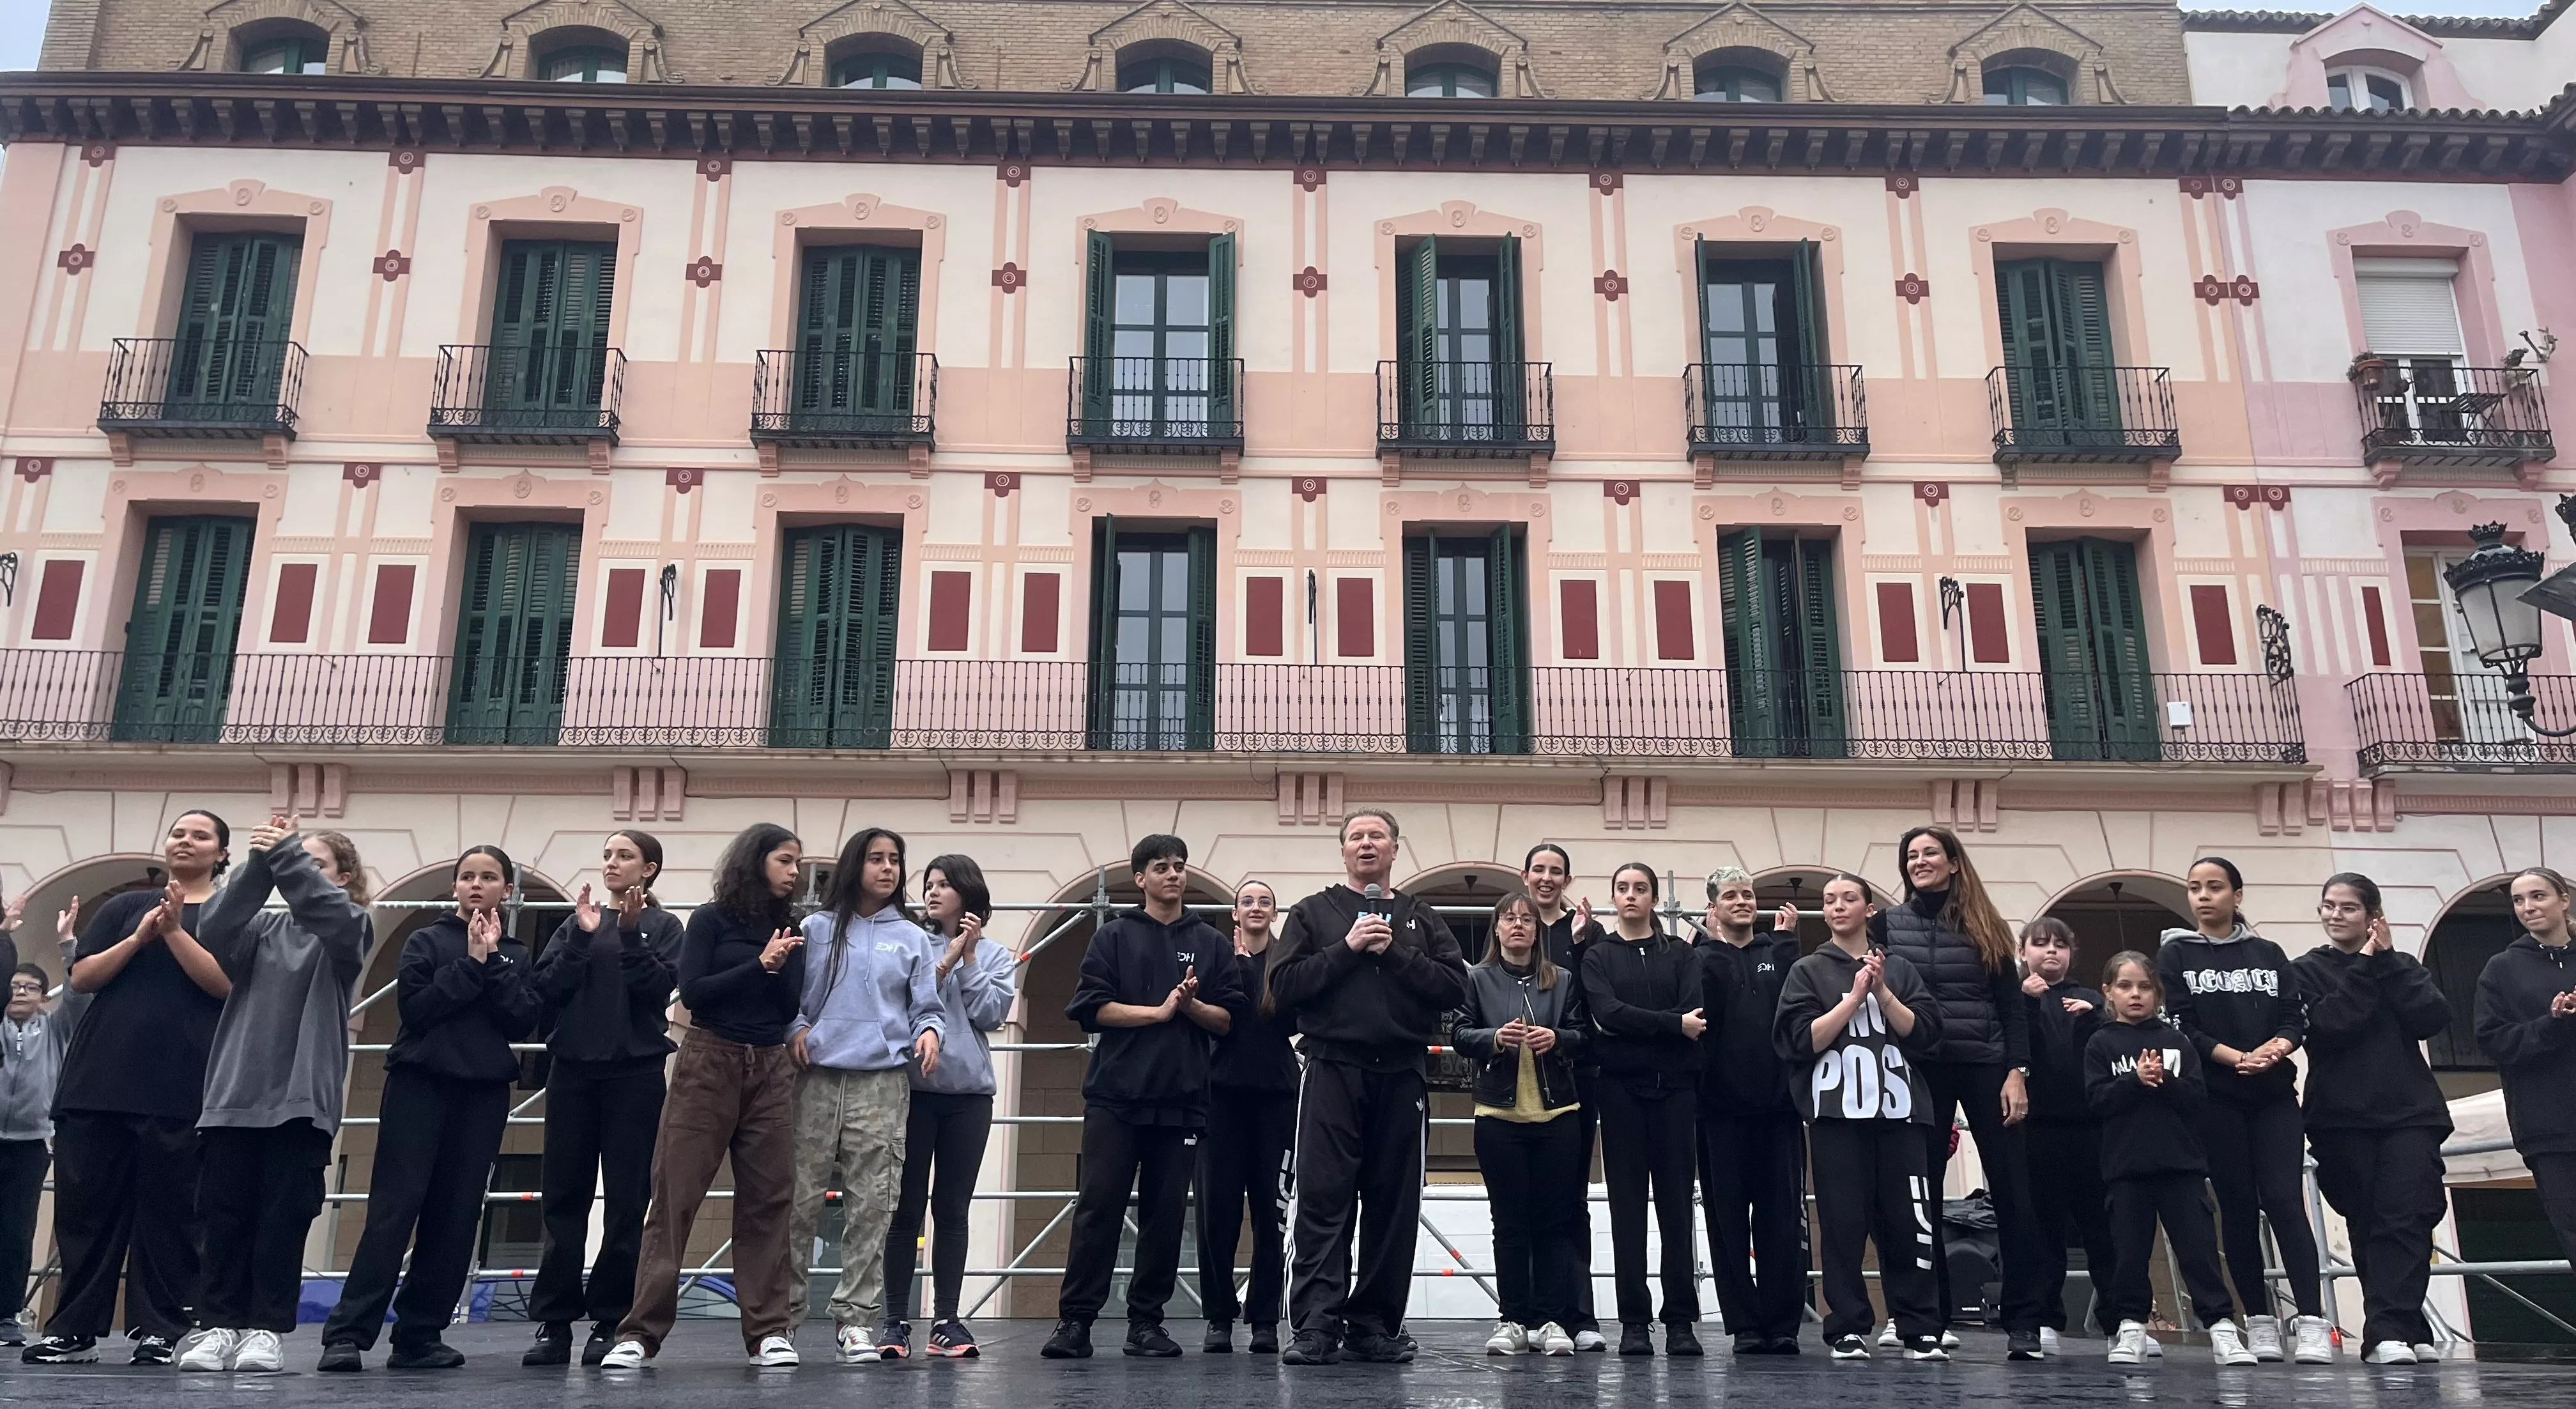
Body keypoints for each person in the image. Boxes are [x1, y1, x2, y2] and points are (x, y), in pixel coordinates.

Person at [318, 845, 539, 1371]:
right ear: (455, 887)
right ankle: (347, 1334)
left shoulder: (517, 953)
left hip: (482, 1092)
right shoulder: (426, 940)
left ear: (506, 890)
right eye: (467, 876)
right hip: (420, 1084)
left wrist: (494, 964)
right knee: (395, 1209)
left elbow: (521, 1019)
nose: (476, 885)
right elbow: (417, 1009)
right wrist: (472, 963)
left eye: (488, 877)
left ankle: (420, 1333)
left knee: (457, 1213)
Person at [28, 810, 233, 1366]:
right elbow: (83, 977)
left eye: (200, 835)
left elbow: (226, 985)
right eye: (178, 832)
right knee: (85, 1212)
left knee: (170, 1216)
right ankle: (73, 1329)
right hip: (100, 1080)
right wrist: (142, 936)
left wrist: (174, 934)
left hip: (182, 1085)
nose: (185, 841)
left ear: (220, 852)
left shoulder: (227, 912)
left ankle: (160, 1329)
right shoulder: (124, 906)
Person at [1268, 808, 1468, 1366]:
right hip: (1332, 1068)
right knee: (1323, 1201)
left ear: (1395, 848)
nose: (1365, 844)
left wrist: (1397, 953)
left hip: (1402, 1072)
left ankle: (1375, 1324)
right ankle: (1314, 1326)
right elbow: (1283, 986)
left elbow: (1455, 988)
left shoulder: (1420, 916)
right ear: (1343, 849)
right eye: (1355, 836)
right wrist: (1348, 947)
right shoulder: (1313, 912)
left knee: (1393, 1206)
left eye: (1376, 835)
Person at [604, 823, 807, 1370]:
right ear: (757, 860)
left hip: (769, 1064)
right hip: (708, 1056)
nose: (794, 871)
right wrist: (759, 965)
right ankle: (640, 1332)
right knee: (675, 1195)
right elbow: (693, 992)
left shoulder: (793, 926)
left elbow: (788, 1007)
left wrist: (780, 965)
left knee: (769, 1199)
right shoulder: (711, 920)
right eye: (785, 860)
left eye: (796, 863)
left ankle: (768, 1330)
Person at [1043, 835, 1246, 1360]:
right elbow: (1091, 1007)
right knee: (1098, 1208)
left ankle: (1146, 1323)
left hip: (1181, 1099)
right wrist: (1156, 1012)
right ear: (1141, 878)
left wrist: (1191, 1005)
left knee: (1164, 1216)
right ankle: (1075, 1322)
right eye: (1162, 867)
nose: (1174, 875)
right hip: (1115, 1096)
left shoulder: (1212, 941)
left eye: (1180, 866)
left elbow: (1227, 1020)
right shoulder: (1113, 936)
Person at [182, 820, 372, 1373]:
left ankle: (265, 1328)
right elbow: (213, 927)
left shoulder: (351, 925)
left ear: (344, 877)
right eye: (295, 860)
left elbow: (327, 912)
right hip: (233, 1095)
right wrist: (260, 862)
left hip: (299, 1099)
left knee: (281, 1220)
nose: (301, 869)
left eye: (316, 863)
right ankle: (218, 1324)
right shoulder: (262, 927)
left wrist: (285, 853)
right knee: (224, 1217)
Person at [1874, 824, 2044, 1357]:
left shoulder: (1986, 923)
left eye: (1930, 853)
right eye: (1911, 855)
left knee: (2013, 1190)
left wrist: (2018, 1070)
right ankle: (1929, 1314)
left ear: (1953, 862)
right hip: (1919, 1066)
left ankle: (2025, 1321)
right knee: (1917, 1194)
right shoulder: (1886, 923)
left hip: (1985, 1062)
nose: (1919, 861)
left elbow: (2012, 1006)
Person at [2156, 857, 2331, 1364]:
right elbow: (2180, 1023)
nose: (2203, 896)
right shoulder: (2176, 954)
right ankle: (2258, 1320)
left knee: (2284, 1200)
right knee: (2235, 1207)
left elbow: (2294, 1015)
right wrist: (2236, 1058)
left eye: (2214, 887)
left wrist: (2275, 1049)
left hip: (2274, 1095)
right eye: (2194, 888)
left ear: (2237, 894)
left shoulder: (2269, 952)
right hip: (2216, 1098)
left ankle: (2313, 1320)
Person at [523, 830, 683, 1367]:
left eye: (624, 856)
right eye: (609, 855)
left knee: (626, 1200)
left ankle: (612, 1317)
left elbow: (659, 990)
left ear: (649, 869)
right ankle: (554, 1320)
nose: (612, 863)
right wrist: (581, 938)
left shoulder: (664, 926)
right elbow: (547, 988)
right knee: (562, 1197)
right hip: (572, 1072)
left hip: (634, 1074)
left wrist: (633, 936)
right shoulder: (576, 922)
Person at [1773, 873, 1945, 1361]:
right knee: (1843, 1223)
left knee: (1910, 1223)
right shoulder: (1808, 970)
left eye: (1849, 898)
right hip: (1837, 1115)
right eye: (1829, 900)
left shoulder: (1902, 968)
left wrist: (1883, 991)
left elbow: (1928, 1035)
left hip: (1901, 1112)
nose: (1838, 906)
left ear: (1869, 908)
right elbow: (1799, 1040)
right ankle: (1847, 1325)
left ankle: (1918, 1325)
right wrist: (1853, 997)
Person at [789, 828, 944, 1365]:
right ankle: (780, 1321)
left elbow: (928, 1006)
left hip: (882, 1079)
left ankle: (856, 1320)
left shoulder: (913, 936)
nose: (887, 869)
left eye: (896, 860)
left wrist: (930, 1032)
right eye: (876, 858)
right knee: (797, 1200)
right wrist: (796, 1028)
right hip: (814, 1075)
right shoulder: (815, 928)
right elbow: (791, 999)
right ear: (854, 865)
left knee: (873, 1203)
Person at [2294, 871, 2453, 1366]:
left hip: (2409, 1112)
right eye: (2328, 905)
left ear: (2373, 916)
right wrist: (2365, 965)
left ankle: (2388, 1329)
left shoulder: (2401, 966)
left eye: (2348, 907)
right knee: (2368, 1222)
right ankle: (2404, 1323)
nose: (2335, 914)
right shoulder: (2305, 970)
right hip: (2341, 1117)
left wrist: (2385, 962)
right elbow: (2332, 1023)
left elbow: (2430, 1017)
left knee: (2408, 1216)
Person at [2087, 952, 2255, 1367]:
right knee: (2129, 1252)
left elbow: (2199, 1099)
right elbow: (2096, 1100)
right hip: (2127, 1169)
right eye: (2125, 986)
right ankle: (2130, 1326)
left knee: (2198, 1250)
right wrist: (2134, 1080)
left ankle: (2221, 1327)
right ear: (2108, 992)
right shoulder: (2101, 1043)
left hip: (2182, 1166)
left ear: (2157, 992)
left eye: (2144, 986)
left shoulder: (2177, 1041)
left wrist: (2164, 1081)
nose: (2136, 994)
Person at [880, 853, 1016, 1360]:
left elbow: (989, 1013)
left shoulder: (998, 954)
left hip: (969, 1097)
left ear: (968, 893)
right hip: (913, 1092)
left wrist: (972, 957)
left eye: (944, 884)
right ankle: (894, 1320)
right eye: (929, 884)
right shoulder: (909, 943)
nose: (932, 892)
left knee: (953, 1208)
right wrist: (943, 960)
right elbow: (900, 1007)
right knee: (905, 1208)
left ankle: (947, 1320)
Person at [1452, 891, 1586, 1357]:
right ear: (1496, 928)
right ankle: (1512, 1317)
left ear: (1537, 930)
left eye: (1526, 919)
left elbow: (1584, 1035)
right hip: (1498, 1116)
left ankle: (1549, 1319)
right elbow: (1459, 1033)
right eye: (1509, 918)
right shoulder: (1478, 977)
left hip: (1557, 1115)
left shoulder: (1562, 978)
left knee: (1554, 1222)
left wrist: (1559, 1037)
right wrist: (1493, 1038)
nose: (1518, 926)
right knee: (1508, 1223)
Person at [1581, 863, 1705, 1357]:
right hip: (1620, 1092)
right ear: (1613, 897)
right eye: (1623, 888)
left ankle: (1680, 1321)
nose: (1631, 895)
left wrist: (1663, 1025)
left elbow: (1695, 1013)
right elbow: (1606, 1016)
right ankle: (1634, 1321)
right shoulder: (1598, 955)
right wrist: (1671, 1025)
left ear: (1654, 897)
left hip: (1676, 1091)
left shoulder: (1679, 953)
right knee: (1626, 1208)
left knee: (1677, 1207)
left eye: (1641, 888)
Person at [1694, 868, 1805, 1356]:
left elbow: (1796, 1010)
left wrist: (1785, 943)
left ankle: (1783, 1322)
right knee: (1728, 1223)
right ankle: (1744, 1323)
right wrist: (1706, 946)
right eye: (1730, 896)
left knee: (1782, 1219)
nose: (1741, 901)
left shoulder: (1779, 952)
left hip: (1779, 1110)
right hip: (1718, 1112)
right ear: (1713, 908)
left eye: (1748, 894)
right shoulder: (1699, 959)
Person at [1197, 879, 1296, 1355]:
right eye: (1247, 901)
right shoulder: (1217, 962)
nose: (1256, 907)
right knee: (1218, 1212)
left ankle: (1263, 1320)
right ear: (1234, 913)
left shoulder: (1288, 963)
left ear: (1274, 913)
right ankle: (1218, 1316)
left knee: (1271, 1215)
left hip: (1277, 1099)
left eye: (1265, 901)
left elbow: (1293, 1018)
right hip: (1221, 1099)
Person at [2016, 918, 2118, 1355]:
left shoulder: (2091, 1000)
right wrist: (2024, 1003)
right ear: (2024, 952)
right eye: (2040, 944)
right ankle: (2045, 1319)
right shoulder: (2018, 997)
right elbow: (2013, 1048)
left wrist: (2092, 1017)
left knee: (2102, 1228)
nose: (2051, 952)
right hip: (2038, 1128)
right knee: (2045, 1230)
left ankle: (2120, 1319)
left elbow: (2108, 1053)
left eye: (2060, 944)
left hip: (2091, 1128)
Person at [1519, 842, 1604, 1351]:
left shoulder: (1584, 932)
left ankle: (1578, 1313)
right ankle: (1529, 1313)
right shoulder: (1510, 923)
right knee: (1520, 1204)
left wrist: (1581, 944)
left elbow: (1596, 1009)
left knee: (1570, 1201)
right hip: (1515, 1084)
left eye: (1557, 872)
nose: (1547, 879)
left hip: (1572, 1081)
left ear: (1567, 881)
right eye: (1540, 870)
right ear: (1524, 875)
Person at [2476, 866, 2576, 1278]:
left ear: (2564, 900)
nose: (2528, 907)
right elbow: (2493, 1041)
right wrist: (2551, 1023)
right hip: (2548, 1127)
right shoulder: (2501, 969)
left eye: (2538, 896)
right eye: (2519, 900)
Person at [1, 896, 84, 1350]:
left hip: (31, 1143)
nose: (20, 992)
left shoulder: (53, 1029)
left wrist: (68, 944)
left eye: (31, 987)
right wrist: (6, 933)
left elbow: (78, 996)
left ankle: (5, 1314)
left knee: (15, 1232)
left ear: (41, 996)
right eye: (13, 985)